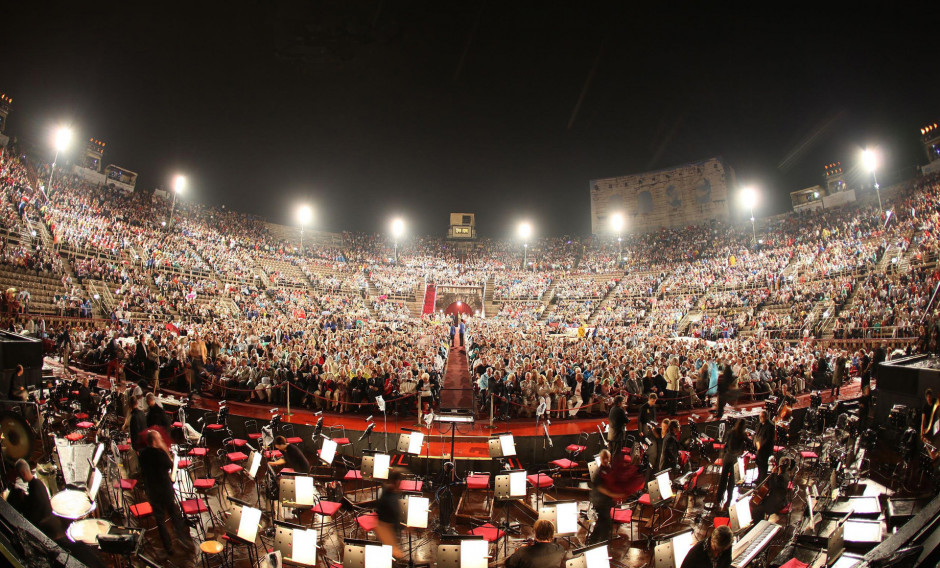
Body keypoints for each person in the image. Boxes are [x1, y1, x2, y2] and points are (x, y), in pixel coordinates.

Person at [138, 430, 195, 555]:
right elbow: (172, 472)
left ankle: (168, 547)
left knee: (160, 520)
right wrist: (171, 459)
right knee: (175, 515)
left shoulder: (142, 454)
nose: (161, 441)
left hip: (152, 491)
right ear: (154, 440)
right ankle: (184, 540)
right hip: (165, 489)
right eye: (159, 439)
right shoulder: (160, 454)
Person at [4, 459, 58, 537]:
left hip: (43, 525)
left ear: (23, 473)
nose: (20, 477)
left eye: (19, 475)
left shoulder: (34, 488)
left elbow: (32, 513)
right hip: (47, 517)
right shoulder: (38, 483)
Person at [588, 449, 625, 544]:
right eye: (603, 458)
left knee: (602, 522)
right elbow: (601, 489)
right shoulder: (599, 472)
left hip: (606, 501)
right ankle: (601, 543)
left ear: (609, 458)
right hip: (600, 502)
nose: (605, 460)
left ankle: (593, 541)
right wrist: (614, 494)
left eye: (607, 458)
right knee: (605, 524)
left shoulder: (609, 468)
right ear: (600, 459)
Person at [716, 419, 747, 510]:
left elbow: (726, 444)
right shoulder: (743, 435)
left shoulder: (731, 432)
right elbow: (743, 448)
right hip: (735, 458)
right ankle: (728, 500)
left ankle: (718, 498)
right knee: (732, 481)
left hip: (727, 456)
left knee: (723, 478)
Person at [375, 469, 404, 559]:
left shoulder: (386, 491)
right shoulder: (391, 500)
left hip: (385, 530)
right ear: (397, 482)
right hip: (386, 533)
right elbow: (391, 522)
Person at [754, 410, 775, 481]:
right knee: (759, 464)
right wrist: (755, 443)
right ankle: (759, 478)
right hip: (758, 448)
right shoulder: (759, 424)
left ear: (766, 417)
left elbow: (768, 439)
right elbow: (756, 435)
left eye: (762, 417)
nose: (760, 418)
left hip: (765, 449)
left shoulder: (770, 426)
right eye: (760, 416)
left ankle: (763, 480)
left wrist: (761, 446)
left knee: (763, 465)